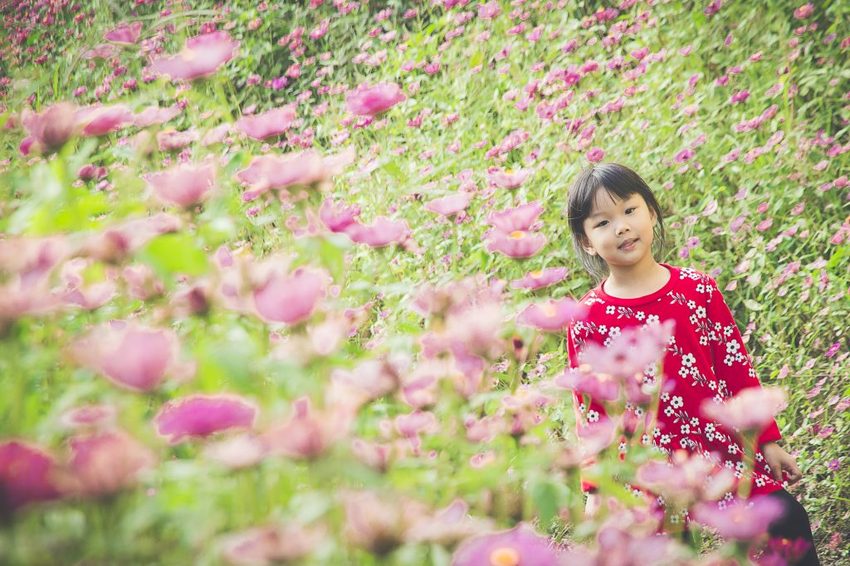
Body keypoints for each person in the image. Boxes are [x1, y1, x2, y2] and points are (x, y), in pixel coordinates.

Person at [564, 163, 820, 565]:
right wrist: (596, 490)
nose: (622, 227)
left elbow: (736, 369)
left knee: (788, 522)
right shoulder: (588, 316)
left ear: (651, 211)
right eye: (603, 222)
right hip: (648, 471)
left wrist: (767, 440)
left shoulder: (697, 289)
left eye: (630, 211)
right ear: (587, 241)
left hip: (722, 451)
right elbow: (591, 411)